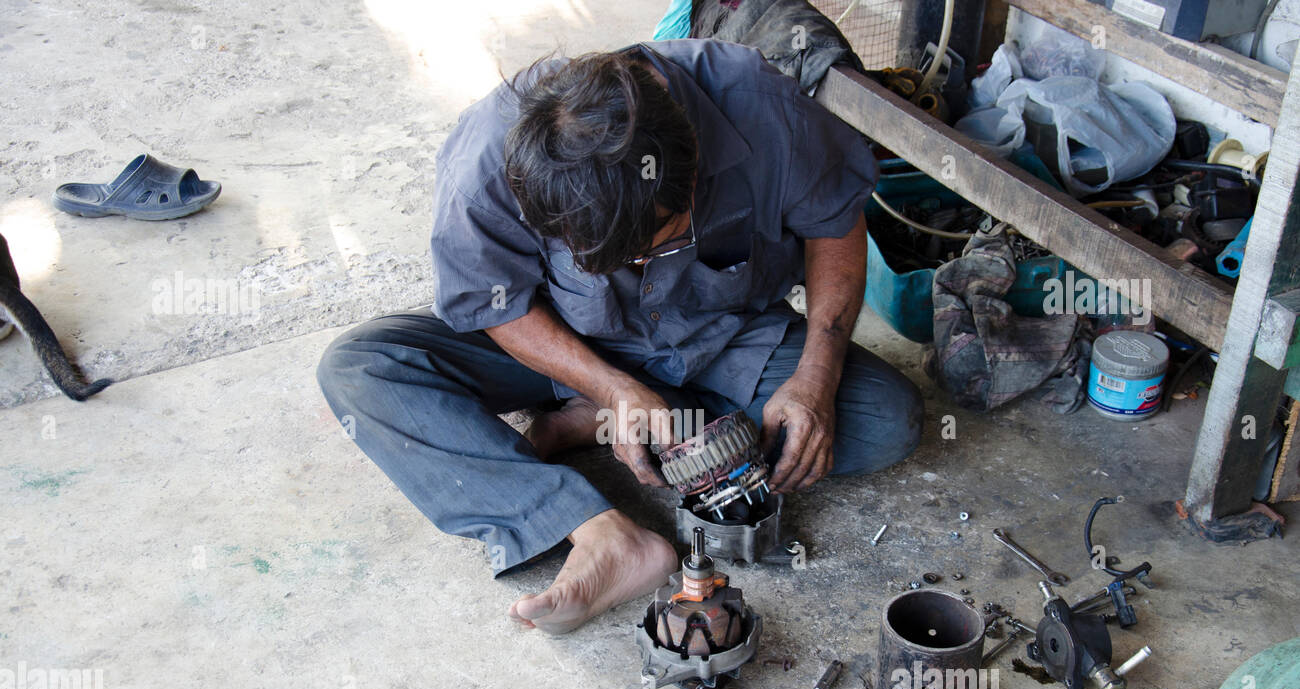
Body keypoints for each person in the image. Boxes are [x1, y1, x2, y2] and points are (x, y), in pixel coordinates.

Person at [317, 40, 922, 635]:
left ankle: (599, 421)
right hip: (566, 347)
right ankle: (601, 529)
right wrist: (609, 386)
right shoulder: (482, 161)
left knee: (884, 419)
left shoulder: (758, 103)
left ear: (688, 181)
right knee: (363, 368)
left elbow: (836, 223)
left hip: (717, 341)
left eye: (653, 244)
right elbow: (490, 302)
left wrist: (816, 373)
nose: (636, 270)